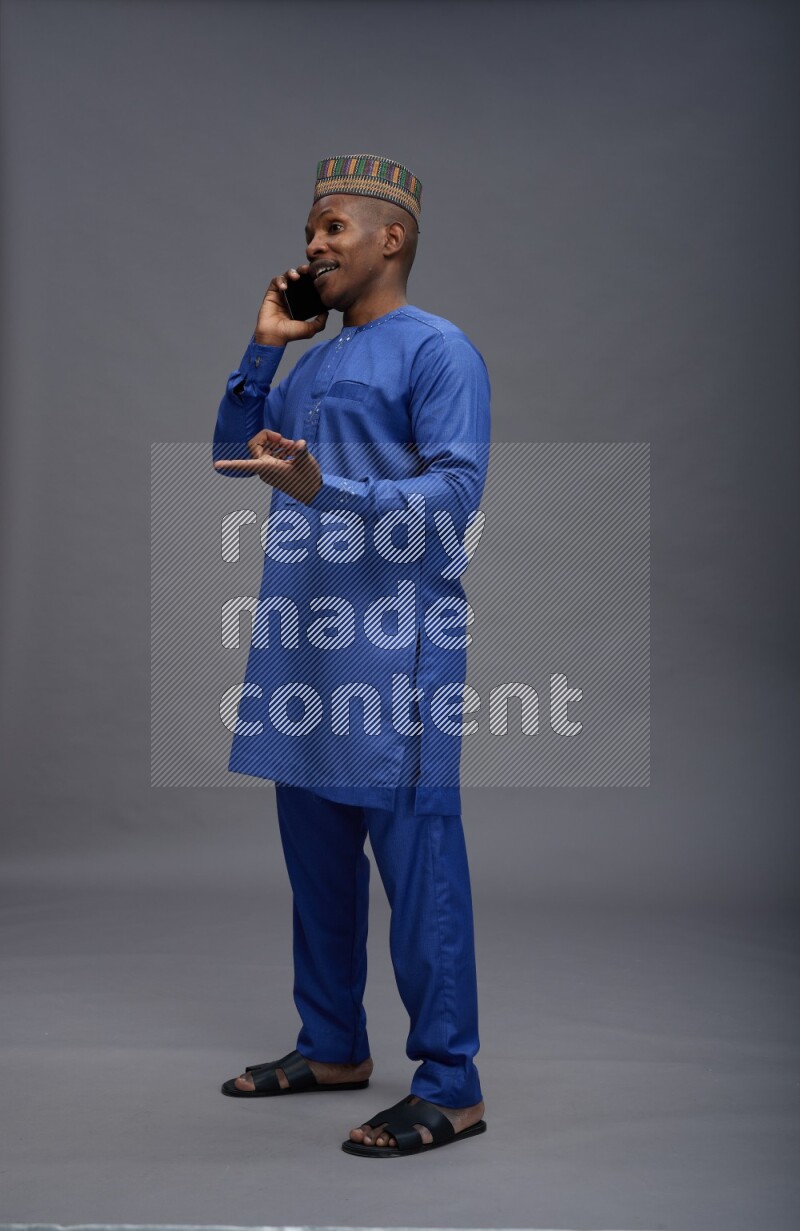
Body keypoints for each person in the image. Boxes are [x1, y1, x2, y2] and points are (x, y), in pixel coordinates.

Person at [212, 154, 491, 1156]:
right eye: (309, 229)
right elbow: (232, 454)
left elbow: (455, 499)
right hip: (304, 645)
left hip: (394, 651)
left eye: (332, 227)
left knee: (418, 867)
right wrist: (261, 349)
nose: (312, 244)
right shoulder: (314, 358)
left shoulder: (437, 350)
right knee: (317, 861)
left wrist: (328, 490)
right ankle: (331, 1043)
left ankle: (451, 1081)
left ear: (392, 238)